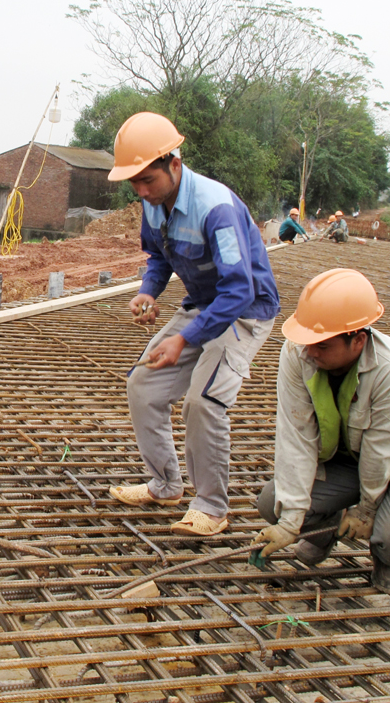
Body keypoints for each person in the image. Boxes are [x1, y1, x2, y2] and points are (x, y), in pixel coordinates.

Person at [107, 112, 280, 536]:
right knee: (143, 385)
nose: (143, 191)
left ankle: (211, 507)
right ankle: (165, 485)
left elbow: (239, 290)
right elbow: (160, 258)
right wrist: (149, 290)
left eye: (149, 180)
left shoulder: (215, 208)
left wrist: (184, 338)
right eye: (136, 183)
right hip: (204, 304)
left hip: (245, 311)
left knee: (203, 400)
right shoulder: (152, 206)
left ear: (175, 165)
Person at [250, 268, 390, 596]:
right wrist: (290, 523)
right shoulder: (298, 352)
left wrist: (365, 511)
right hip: (341, 463)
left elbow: (382, 454)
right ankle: (321, 534)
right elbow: (296, 436)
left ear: (359, 340)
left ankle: (387, 559)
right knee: (274, 502)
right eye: (308, 342)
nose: (311, 351)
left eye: (322, 346)